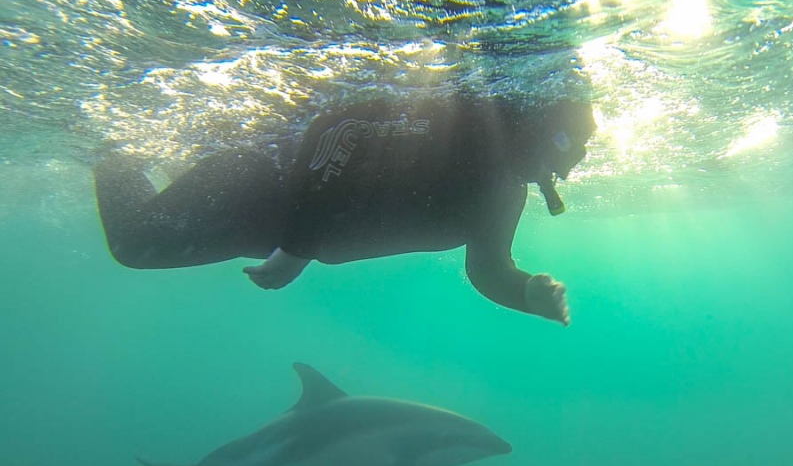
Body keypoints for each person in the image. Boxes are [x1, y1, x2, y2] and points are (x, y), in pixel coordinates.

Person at [94, 96, 596, 326]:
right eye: (566, 142)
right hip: (255, 185)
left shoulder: (505, 192)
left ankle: (126, 157)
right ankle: (106, 149)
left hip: (275, 231)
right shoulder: (453, 127)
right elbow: (340, 126)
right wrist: (297, 249)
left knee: (137, 246)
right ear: (532, 121)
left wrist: (526, 292)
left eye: (581, 150)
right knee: (133, 245)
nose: (571, 164)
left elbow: (488, 268)